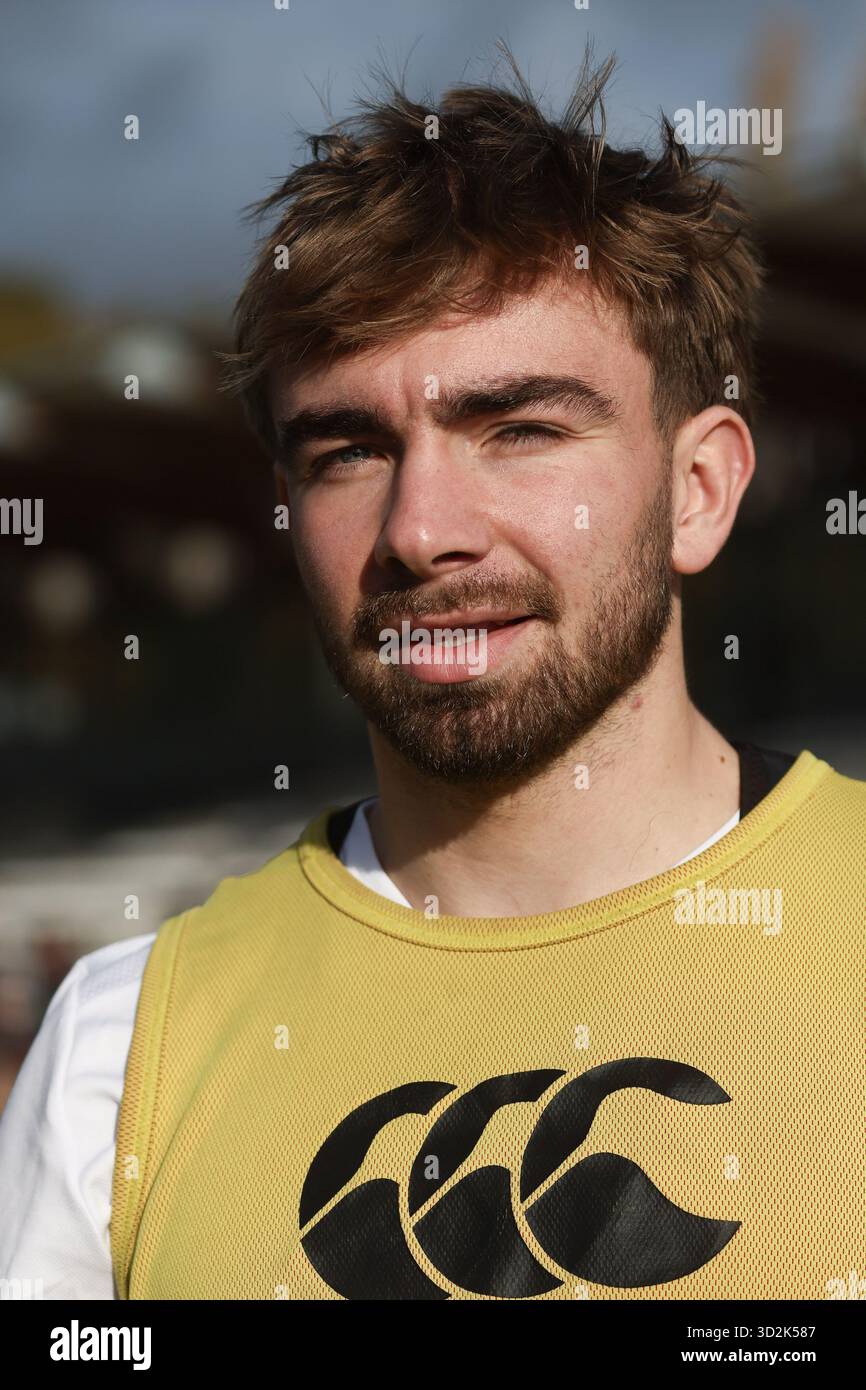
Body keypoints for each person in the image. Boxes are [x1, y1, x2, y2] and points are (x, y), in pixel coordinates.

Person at [1, 48, 863, 1302]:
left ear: (698, 489)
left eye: (518, 430)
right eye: (349, 450)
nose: (419, 531)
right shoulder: (120, 1045)